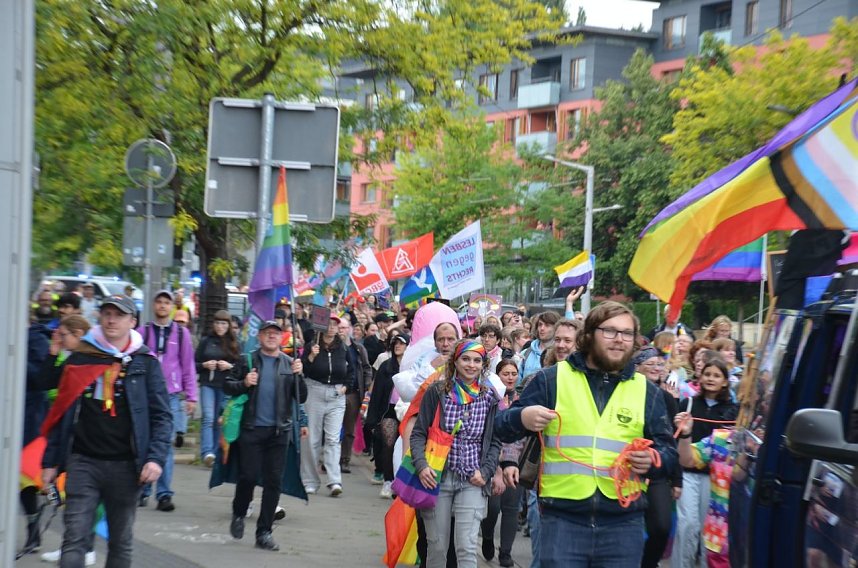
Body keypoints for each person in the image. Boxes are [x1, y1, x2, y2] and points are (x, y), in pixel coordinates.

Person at [495, 301, 678, 567]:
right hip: (563, 521)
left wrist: (654, 459)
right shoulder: (552, 379)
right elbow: (501, 426)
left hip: (623, 524)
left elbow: (669, 453)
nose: (619, 340)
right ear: (589, 335)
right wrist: (522, 416)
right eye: (610, 331)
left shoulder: (647, 391)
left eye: (627, 334)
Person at [41, 295, 172, 568]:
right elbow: (62, 410)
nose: (112, 319)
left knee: (120, 543)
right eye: (107, 313)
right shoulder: (81, 357)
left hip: (127, 466)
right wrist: (50, 461)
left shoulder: (145, 363)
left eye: (119, 315)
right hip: (82, 462)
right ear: (99, 317)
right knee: (74, 538)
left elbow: (161, 416)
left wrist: (155, 458)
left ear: (132, 322)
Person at [412, 339, 502, 568]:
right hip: (437, 478)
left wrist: (486, 471)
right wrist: (422, 466)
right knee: (438, 547)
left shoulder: (490, 397)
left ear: (484, 364)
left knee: (466, 547)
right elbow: (418, 433)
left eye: (477, 360)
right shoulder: (437, 391)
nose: (471, 365)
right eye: (466, 359)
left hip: (473, 479)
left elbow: (494, 441)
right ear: (455, 360)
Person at [224, 320, 306, 551]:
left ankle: (264, 532)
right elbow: (227, 386)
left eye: (275, 333)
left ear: (282, 338)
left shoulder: (290, 363)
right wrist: (244, 382)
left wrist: (299, 375)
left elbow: (302, 398)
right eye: (267, 333)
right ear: (259, 337)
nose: (271, 337)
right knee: (248, 476)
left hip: (279, 432)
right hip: (251, 429)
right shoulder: (247, 360)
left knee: (273, 482)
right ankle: (239, 512)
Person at [36, 315, 97, 566]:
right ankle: (79, 546)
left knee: (78, 497)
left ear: (79, 334)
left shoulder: (84, 362)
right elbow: (44, 381)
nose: (62, 339)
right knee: (74, 497)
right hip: (71, 437)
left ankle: (83, 546)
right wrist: (53, 352)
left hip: (80, 439)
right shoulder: (72, 360)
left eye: (64, 335)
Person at [673, 354, 737, 568]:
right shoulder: (688, 403)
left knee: (707, 530)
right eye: (707, 374)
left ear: (725, 381)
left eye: (717, 375)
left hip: (716, 479)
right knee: (687, 524)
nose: (711, 378)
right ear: (700, 377)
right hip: (688, 473)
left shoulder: (733, 411)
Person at [138, 289, 197, 511]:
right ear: (153, 305)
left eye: (166, 302)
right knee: (143, 441)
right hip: (144, 393)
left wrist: (191, 396)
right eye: (159, 301)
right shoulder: (142, 332)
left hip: (170, 394)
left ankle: (163, 493)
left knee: (166, 445)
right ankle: (143, 489)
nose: (162, 305)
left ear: (172, 306)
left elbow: (188, 366)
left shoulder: (181, 334)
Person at [634, 347, 683, 568]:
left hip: (658, 468)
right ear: (637, 368)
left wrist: (677, 479)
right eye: (650, 364)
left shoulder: (666, 398)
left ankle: (649, 563)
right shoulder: (628, 393)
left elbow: (673, 440)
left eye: (659, 364)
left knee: (662, 526)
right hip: (629, 468)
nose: (656, 368)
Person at [301, 315, 351, 496]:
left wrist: (346, 386)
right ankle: (310, 481)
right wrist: (311, 357)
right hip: (314, 392)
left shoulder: (344, 348)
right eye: (328, 324)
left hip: (336, 395)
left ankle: (334, 481)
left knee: (332, 439)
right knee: (312, 439)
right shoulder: (311, 345)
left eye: (335, 325)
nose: (331, 328)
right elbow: (303, 370)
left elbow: (352, 370)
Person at [482, 358, 525, 567]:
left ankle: (506, 553)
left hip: (517, 462)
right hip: (493, 461)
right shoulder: (491, 398)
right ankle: (488, 536)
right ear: (497, 376)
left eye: (513, 374)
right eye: (505, 373)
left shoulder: (523, 399)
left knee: (511, 508)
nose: (510, 377)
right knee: (492, 507)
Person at [365, 333, 410, 497]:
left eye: (401, 343)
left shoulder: (412, 365)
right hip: (388, 410)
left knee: (404, 447)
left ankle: (401, 482)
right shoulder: (386, 366)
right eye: (395, 343)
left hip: (406, 410)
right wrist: (372, 417)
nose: (397, 346)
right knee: (388, 445)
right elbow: (377, 393)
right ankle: (388, 481)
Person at [196, 310, 240, 467]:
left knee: (219, 420)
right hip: (208, 383)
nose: (220, 326)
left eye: (223, 323)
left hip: (225, 385)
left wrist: (229, 366)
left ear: (228, 325)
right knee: (208, 417)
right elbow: (194, 365)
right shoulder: (206, 341)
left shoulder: (234, 343)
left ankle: (215, 453)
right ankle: (207, 451)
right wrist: (204, 365)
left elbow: (240, 368)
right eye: (217, 323)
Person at [339, 318, 373, 474]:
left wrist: (366, 385)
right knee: (331, 429)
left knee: (349, 428)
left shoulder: (358, 348)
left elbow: (367, 368)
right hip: (333, 390)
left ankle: (344, 459)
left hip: (352, 393)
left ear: (350, 329)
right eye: (339, 327)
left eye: (344, 327)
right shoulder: (329, 347)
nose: (341, 330)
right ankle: (330, 458)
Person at [519, 311, 560, 382]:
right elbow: (518, 383)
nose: (542, 328)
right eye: (540, 325)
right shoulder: (526, 353)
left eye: (547, 325)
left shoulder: (560, 353)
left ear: (556, 328)